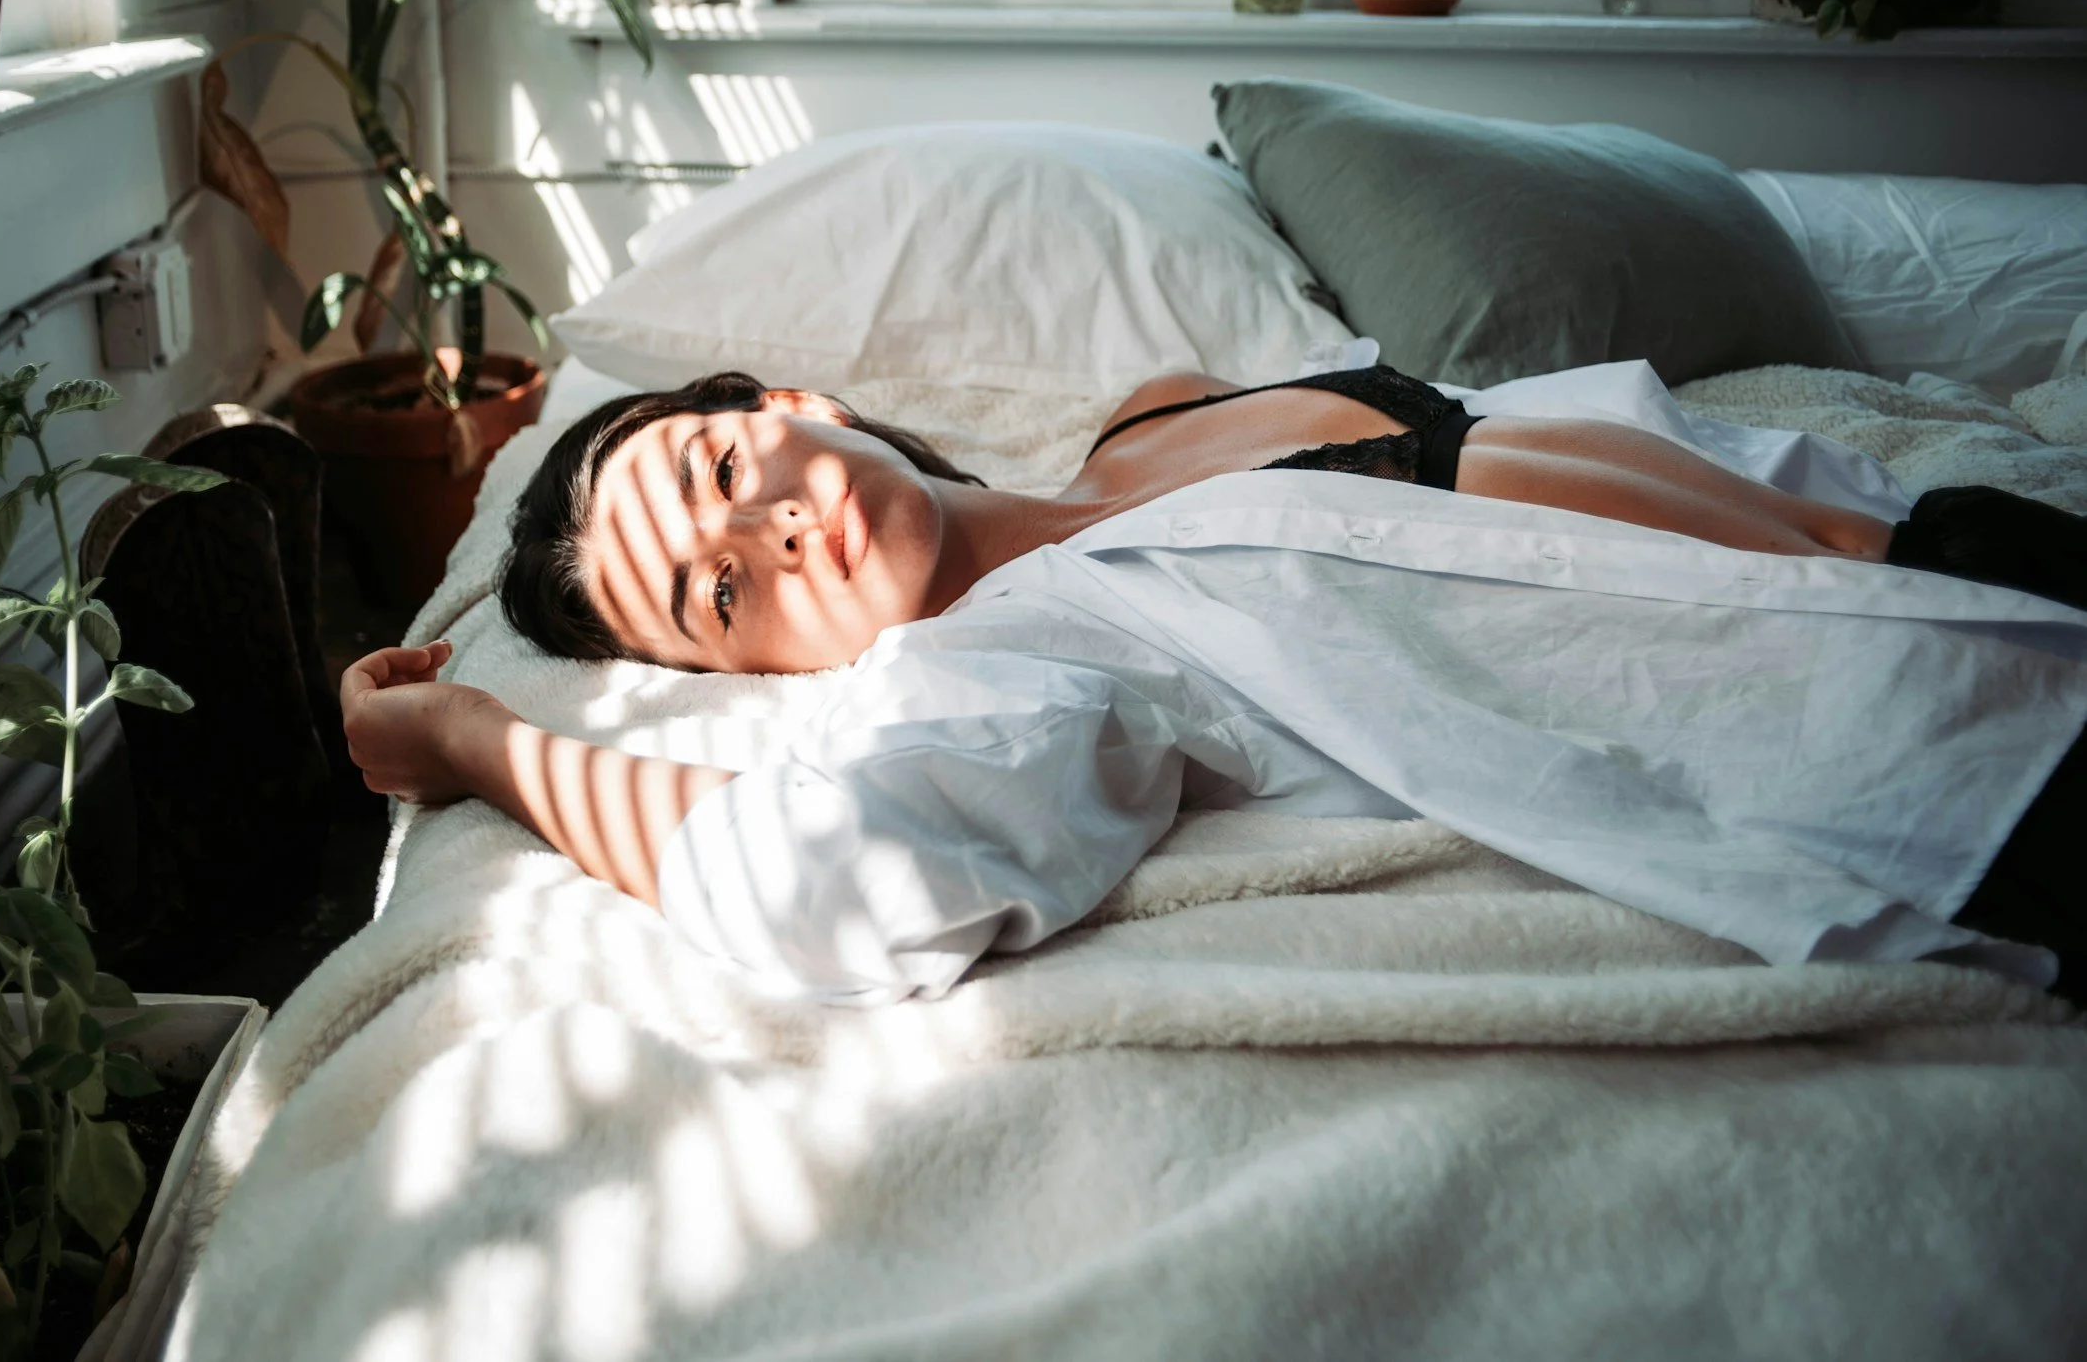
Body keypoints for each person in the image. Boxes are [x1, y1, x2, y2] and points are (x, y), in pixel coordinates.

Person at [341, 359, 2087, 1005]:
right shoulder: (1023, 658)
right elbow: (814, 879)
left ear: (794, 402)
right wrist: (476, 736)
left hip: (1946, 529)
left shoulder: (1151, 414)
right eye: (717, 602)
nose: (771, 537)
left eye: (729, 473)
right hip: (1958, 738)